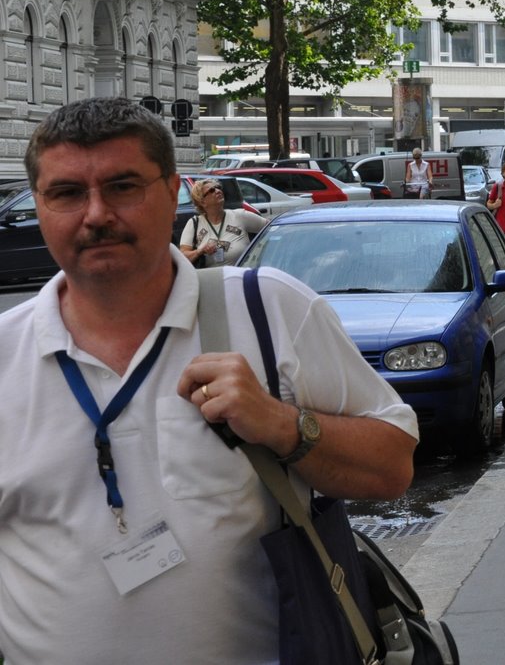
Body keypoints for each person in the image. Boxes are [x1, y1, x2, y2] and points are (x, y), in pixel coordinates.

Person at [0, 97, 418, 664]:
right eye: (67, 193)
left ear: (174, 191)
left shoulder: (268, 310)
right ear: (40, 204)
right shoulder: (5, 355)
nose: (96, 214)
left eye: (123, 187)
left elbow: (392, 467)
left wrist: (282, 425)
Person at [178, 178, 266, 267]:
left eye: (218, 187)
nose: (218, 191)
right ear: (202, 202)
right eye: (211, 190)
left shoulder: (240, 216)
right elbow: (182, 258)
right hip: (209, 275)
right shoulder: (194, 223)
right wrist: (199, 251)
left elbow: (272, 229)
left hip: (238, 274)